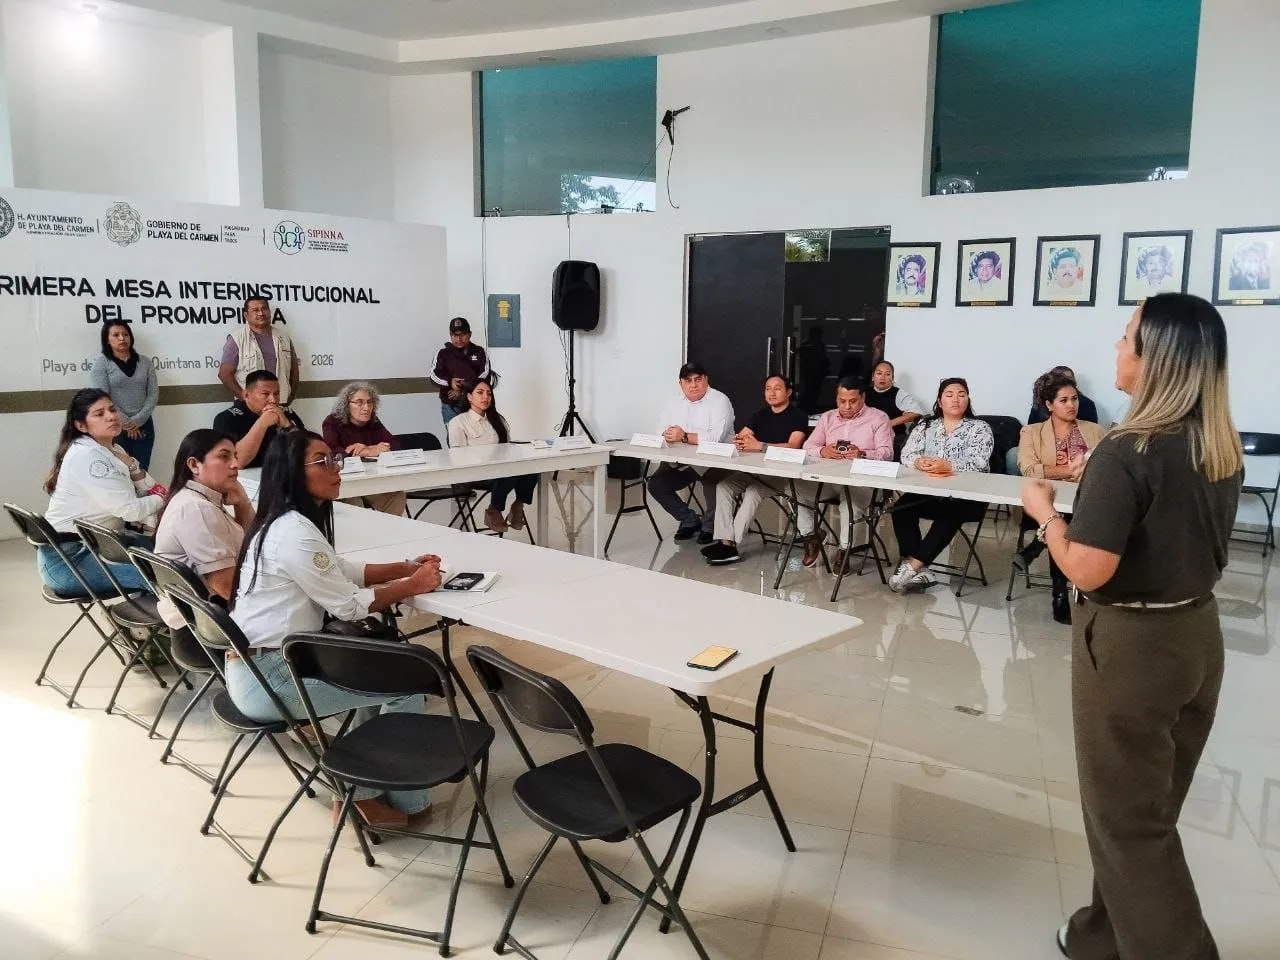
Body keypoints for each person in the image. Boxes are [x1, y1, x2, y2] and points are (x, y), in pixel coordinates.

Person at [1020, 293, 1242, 960]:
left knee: (1127, 824)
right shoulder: (1216, 442)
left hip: (1133, 647)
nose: (1116, 349)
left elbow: (1087, 568)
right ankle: (1102, 935)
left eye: (1126, 339)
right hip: (1196, 636)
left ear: (1155, 360)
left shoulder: (1127, 449)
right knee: (1149, 805)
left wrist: (1046, 514)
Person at [229, 430, 443, 829]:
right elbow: (345, 604)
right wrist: (412, 587)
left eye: (334, 459)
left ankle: (362, 792)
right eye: (322, 461)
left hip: (262, 668)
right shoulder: (293, 531)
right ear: (293, 472)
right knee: (405, 685)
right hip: (270, 680)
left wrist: (404, 568)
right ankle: (390, 801)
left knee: (373, 678)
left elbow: (341, 571)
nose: (335, 469)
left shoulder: (283, 522)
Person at [39, 389, 165, 595]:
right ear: (81, 426)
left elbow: (148, 488)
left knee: (168, 553)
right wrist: (162, 497)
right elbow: (132, 510)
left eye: (112, 409)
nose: (111, 416)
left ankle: (147, 617)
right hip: (69, 562)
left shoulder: (113, 449)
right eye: (99, 414)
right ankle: (142, 623)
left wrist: (135, 469)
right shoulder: (88, 456)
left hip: (95, 547)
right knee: (163, 576)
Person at [1014, 371, 1106, 623]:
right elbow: (1030, 469)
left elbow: (1106, 468)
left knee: (1064, 519)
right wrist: (1075, 468)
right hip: (1043, 502)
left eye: (1074, 399)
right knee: (1061, 519)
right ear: (1049, 405)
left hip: (1085, 503)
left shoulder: (1096, 431)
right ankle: (1059, 594)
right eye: (1063, 400)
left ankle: (1036, 549)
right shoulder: (1031, 432)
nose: (1071, 405)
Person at [889, 378, 994, 593]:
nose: (956, 399)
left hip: (967, 496)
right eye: (949, 394)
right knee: (901, 508)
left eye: (961, 394)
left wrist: (949, 465)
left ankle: (912, 566)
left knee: (950, 513)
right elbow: (907, 454)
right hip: (931, 492)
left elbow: (980, 462)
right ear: (939, 400)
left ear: (968, 399)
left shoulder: (979, 427)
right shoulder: (926, 425)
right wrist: (918, 461)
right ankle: (921, 569)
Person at [701, 375, 809, 565]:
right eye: (768, 388)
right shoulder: (760, 415)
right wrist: (740, 441)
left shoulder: (798, 416)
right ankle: (724, 540)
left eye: (777, 388)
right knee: (723, 486)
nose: (772, 393)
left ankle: (732, 544)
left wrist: (762, 446)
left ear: (788, 392)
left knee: (752, 492)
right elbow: (743, 436)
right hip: (755, 470)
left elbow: (794, 446)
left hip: (781, 474)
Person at [153, 430, 254, 629]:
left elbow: (246, 544)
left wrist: (242, 502)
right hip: (206, 625)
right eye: (224, 457)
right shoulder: (196, 508)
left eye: (235, 456)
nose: (235, 464)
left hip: (204, 615)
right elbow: (226, 588)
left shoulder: (198, 498)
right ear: (194, 465)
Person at [795, 377, 894, 570]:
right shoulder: (828, 417)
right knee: (796, 487)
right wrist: (823, 451)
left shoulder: (878, 418)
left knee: (849, 504)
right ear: (836, 398)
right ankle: (811, 536)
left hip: (862, 481)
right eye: (842, 401)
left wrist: (863, 454)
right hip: (828, 479)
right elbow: (808, 446)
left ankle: (844, 550)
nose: (847, 406)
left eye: (853, 401)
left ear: (863, 397)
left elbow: (888, 453)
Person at [647, 362, 735, 543]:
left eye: (698, 380)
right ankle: (689, 520)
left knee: (712, 483)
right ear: (681, 383)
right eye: (688, 381)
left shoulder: (720, 400)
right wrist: (667, 434)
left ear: (706, 380)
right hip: (683, 459)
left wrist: (684, 436)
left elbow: (715, 438)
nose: (693, 385)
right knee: (657, 485)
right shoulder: (674, 401)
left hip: (716, 460)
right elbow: (660, 430)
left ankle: (710, 527)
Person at [447, 379, 537, 534]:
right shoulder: (458, 422)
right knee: (508, 473)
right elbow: (457, 456)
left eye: (489, 393)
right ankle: (494, 510)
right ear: (469, 397)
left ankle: (518, 504)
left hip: (499, 469)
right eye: (480, 393)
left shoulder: (497, 419)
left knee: (532, 468)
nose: (485, 397)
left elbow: (507, 448)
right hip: (474, 472)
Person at [321, 381, 406, 516]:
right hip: (346, 483)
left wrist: (366, 449)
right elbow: (331, 452)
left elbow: (394, 444)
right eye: (359, 402)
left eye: (369, 402)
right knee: (354, 501)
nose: (366, 407)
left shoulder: (373, 421)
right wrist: (367, 451)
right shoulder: (332, 422)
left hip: (371, 480)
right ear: (346, 405)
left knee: (396, 496)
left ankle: (387, 534)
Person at [89, 320, 159, 470]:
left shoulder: (145, 362)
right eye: (116, 335)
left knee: (141, 471)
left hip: (144, 425)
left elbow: (153, 394)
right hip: (114, 425)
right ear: (107, 340)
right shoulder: (102, 364)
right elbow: (103, 399)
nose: (122, 338)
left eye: (125, 334)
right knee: (119, 470)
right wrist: (126, 423)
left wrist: (138, 421)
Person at [212, 370, 304, 470]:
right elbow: (237, 462)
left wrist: (287, 425)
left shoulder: (286, 414)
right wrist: (262, 423)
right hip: (244, 481)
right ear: (246, 395)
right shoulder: (227, 418)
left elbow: (307, 454)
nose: (273, 400)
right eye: (265, 394)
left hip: (282, 476)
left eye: (276, 394)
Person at [219, 296, 299, 405]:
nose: (261, 313)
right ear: (246, 315)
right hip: (249, 408)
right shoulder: (237, 338)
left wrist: (291, 395)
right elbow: (224, 374)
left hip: (279, 404)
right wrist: (245, 398)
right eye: (255, 310)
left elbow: (294, 371)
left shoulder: (284, 337)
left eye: (264, 309)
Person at [431, 317, 491, 425]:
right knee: (454, 439)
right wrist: (450, 382)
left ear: (470, 334)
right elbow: (434, 376)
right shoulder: (442, 354)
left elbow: (485, 376)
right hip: (450, 406)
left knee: (476, 438)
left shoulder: (480, 352)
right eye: (455, 335)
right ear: (450, 335)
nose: (459, 339)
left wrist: (463, 392)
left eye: (462, 334)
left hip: (474, 405)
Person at [865, 360, 926, 455]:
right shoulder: (864, 393)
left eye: (887, 374)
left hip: (894, 438)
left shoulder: (899, 393)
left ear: (892, 378)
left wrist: (890, 423)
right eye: (879, 373)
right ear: (873, 377)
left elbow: (916, 412)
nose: (883, 377)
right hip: (869, 437)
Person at [1027, 366, 1099, 425]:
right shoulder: (1039, 403)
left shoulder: (1087, 404)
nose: (1071, 405)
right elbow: (1032, 428)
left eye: (1068, 381)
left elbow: (1091, 434)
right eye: (1063, 400)